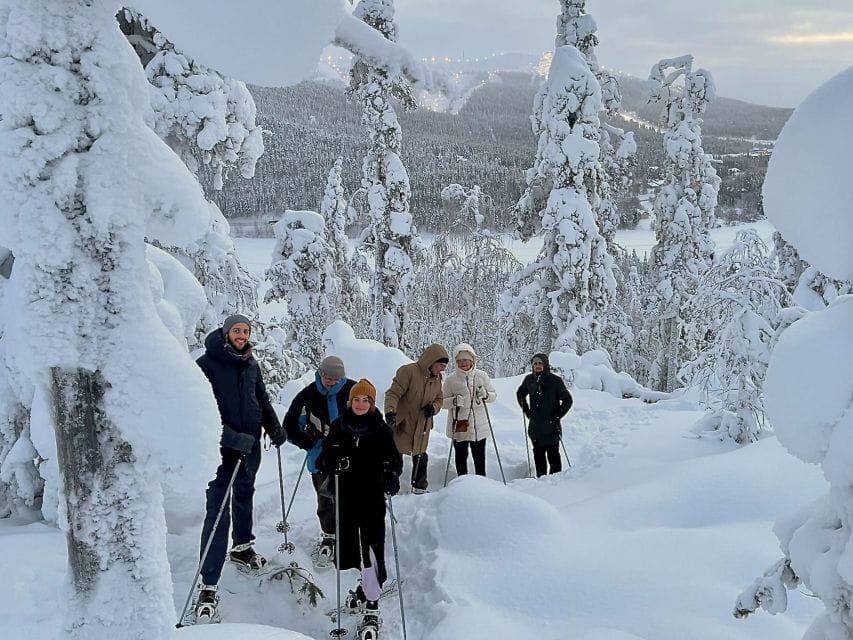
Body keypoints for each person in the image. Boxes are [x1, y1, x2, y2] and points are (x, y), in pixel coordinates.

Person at [194, 314, 287, 621]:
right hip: (220, 451)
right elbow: (200, 414)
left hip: (250, 450)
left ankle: (242, 547)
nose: (242, 335)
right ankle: (208, 583)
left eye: (246, 331)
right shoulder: (207, 365)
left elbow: (261, 398)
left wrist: (274, 427)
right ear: (226, 333)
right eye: (237, 330)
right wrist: (233, 438)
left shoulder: (251, 364)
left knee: (245, 494)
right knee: (218, 509)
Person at [316, 379, 402, 636]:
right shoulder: (339, 426)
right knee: (351, 550)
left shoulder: (380, 429)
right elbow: (325, 458)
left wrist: (390, 475)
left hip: (373, 498)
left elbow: (394, 460)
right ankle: (364, 589)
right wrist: (335, 462)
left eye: (366, 400)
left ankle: (372, 603)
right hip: (347, 497)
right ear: (350, 402)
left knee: (372, 547)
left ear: (372, 403)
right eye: (357, 400)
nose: (361, 404)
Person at [283, 355, 355, 567]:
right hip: (321, 455)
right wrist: (309, 443)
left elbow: (369, 417)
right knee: (325, 498)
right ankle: (329, 536)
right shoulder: (308, 395)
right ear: (320, 373)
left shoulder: (353, 390)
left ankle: (349, 535)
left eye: (336, 378)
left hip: (349, 454)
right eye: (328, 377)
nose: (332, 382)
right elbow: (290, 425)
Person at [384, 344, 449, 493]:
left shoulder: (437, 378)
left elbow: (439, 398)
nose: (442, 369)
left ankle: (419, 486)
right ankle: (388, 487)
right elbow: (393, 393)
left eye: (444, 366)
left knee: (420, 456)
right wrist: (390, 412)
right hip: (402, 422)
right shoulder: (408, 372)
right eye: (440, 365)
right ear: (431, 361)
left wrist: (433, 408)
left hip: (422, 424)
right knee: (395, 457)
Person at [442, 343, 497, 477]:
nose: (463, 363)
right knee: (461, 458)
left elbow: (493, 396)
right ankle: (462, 483)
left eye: (465, 360)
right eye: (459, 361)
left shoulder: (481, 376)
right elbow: (442, 403)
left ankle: (481, 483)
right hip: (460, 425)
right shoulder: (450, 380)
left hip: (479, 425)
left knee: (479, 459)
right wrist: (454, 401)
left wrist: (485, 395)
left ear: (472, 360)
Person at [516, 353, 573, 477]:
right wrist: (526, 410)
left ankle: (556, 484)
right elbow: (520, 394)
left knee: (554, 458)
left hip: (552, 427)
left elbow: (568, 399)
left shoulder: (555, 380)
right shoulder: (529, 380)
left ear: (545, 364)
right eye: (535, 364)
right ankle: (541, 483)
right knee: (538, 457)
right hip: (535, 428)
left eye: (540, 363)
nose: (537, 366)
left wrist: (558, 415)